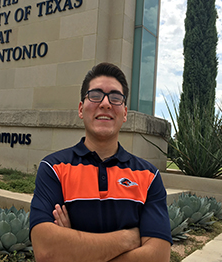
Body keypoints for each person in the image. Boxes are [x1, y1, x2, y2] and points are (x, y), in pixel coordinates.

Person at [29, 62, 172, 262]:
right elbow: (47, 251)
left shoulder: (148, 176)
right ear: (81, 109)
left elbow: (158, 257)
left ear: (125, 114)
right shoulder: (53, 169)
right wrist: (128, 238)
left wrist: (74, 251)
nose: (105, 103)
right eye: (95, 95)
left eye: (115, 98)